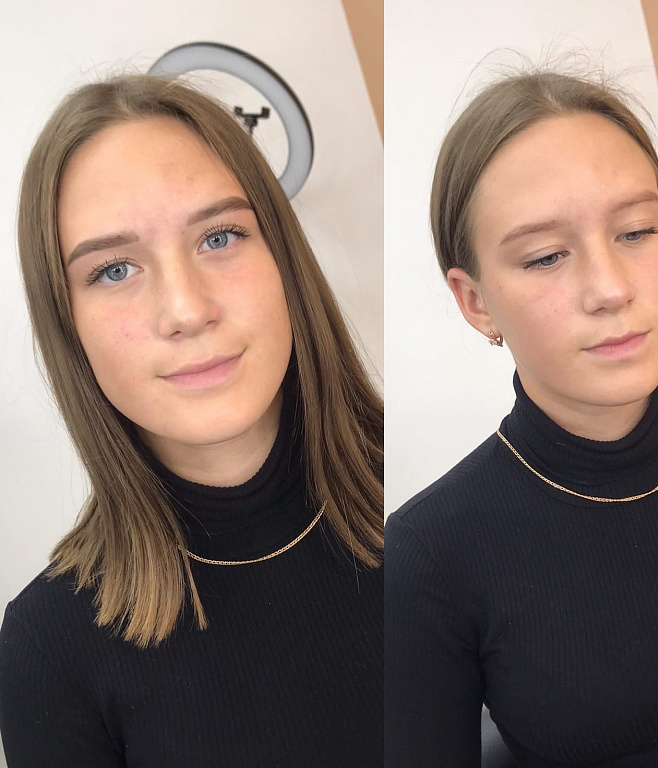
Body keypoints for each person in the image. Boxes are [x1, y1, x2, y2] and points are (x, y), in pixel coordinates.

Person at [385, 69, 658, 767]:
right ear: (475, 302)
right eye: (546, 257)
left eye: (636, 231)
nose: (611, 289)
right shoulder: (429, 556)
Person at [0, 74, 383, 767]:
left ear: (284, 259)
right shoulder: (47, 648)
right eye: (114, 270)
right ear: (68, 326)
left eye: (220, 237)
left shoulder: (438, 509)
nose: (186, 309)